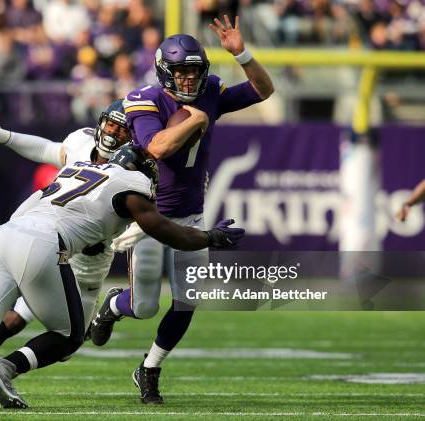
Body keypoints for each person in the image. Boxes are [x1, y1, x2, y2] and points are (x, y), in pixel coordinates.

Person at [0, 144, 244, 410]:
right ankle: (5, 369)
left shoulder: (77, 168)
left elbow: (28, 209)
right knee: (70, 336)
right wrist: (209, 238)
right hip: (42, 243)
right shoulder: (132, 184)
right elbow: (169, 233)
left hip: (5, 235)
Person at [90, 16, 274, 404]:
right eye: (180, 72)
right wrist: (199, 118)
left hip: (190, 215)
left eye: (194, 72)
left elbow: (263, 89)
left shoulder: (209, 89)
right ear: (163, 72)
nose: (188, 80)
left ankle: (149, 368)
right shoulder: (144, 99)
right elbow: (156, 147)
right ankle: (113, 305)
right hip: (150, 220)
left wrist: (242, 53)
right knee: (143, 307)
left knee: (189, 300)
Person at [0, 100, 132, 400]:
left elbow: (151, 211)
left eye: (122, 128)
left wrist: (137, 232)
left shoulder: (132, 166)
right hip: (53, 242)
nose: (114, 133)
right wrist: (3, 135)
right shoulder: (81, 143)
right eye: (111, 124)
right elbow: (46, 150)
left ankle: (104, 315)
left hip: (89, 258)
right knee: (19, 319)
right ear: (101, 122)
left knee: (69, 341)